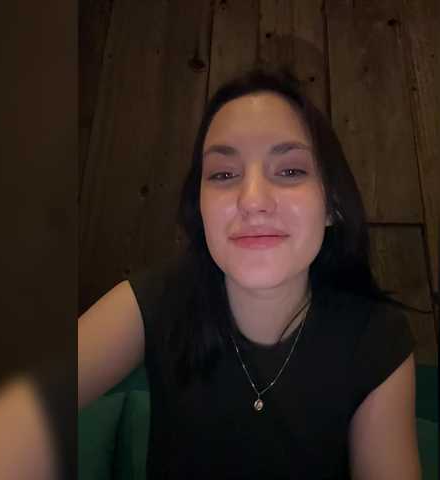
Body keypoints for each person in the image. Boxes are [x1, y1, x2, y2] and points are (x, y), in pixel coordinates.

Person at [79, 67, 421, 479]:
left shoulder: (376, 337)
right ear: (200, 207)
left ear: (332, 205)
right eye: (223, 174)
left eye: (290, 170)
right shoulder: (153, 301)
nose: (253, 200)